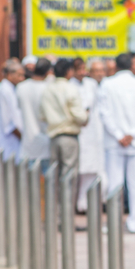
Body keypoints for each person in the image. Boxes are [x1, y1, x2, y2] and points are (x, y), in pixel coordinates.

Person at [98, 53, 135, 232]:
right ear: (132, 65)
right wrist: (133, 134)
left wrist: (119, 135)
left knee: (115, 183)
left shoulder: (107, 84)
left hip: (116, 142)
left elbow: (104, 113)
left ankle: (114, 222)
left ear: (115, 66)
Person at [40, 58, 88, 192]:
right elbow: (80, 116)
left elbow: (42, 115)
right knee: (68, 175)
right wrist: (86, 115)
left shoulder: (47, 89)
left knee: (54, 174)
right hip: (69, 136)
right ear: (69, 71)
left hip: (53, 136)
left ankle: (53, 209)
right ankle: (65, 211)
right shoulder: (71, 88)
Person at [74, 58, 108, 213]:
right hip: (84, 131)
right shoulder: (77, 85)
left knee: (98, 168)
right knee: (84, 168)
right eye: (96, 71)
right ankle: (82, 203)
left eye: (102, 70)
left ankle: (96, 201)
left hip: (100, 132)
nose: (100, 74)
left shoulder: (95, 85)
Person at [16, 57, 53, 169]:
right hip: (46, 143)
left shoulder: (21, 87)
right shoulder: (49, 88)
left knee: (28, 184)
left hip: (27, 143)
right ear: (48, 72)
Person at [0, 59, 25, 161]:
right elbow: (8, 123)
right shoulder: (4, 91)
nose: (22, 78)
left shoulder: (13, 89)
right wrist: (22, 137)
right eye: (19, 75)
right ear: (10, 75)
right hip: (8, 141)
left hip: (15, 140)